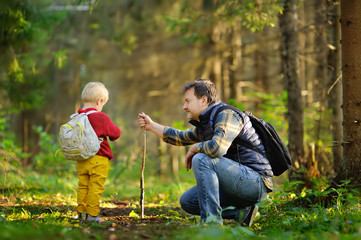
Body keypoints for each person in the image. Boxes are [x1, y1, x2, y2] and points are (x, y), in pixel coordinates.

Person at [138, 79, 273, 226]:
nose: (184, 107)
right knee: (188, 202)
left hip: (255, 183)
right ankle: (243, 213)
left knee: (202, 158)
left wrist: (195, 148)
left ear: (203, 100)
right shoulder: (207, 123)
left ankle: (211, 223)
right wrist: (151, 126)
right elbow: (180, 137)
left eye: (188, 101)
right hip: (236, 182)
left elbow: (217, 148)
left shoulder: (227, 115)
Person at [75, 82, 121, 223]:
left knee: (83, 186)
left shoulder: (77, 117)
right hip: (99, 159)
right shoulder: (100, 117)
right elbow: (115, 133)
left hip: (81, 159)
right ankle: (92, 215)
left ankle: (81, 214)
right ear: (99, 101)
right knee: (95, 188)